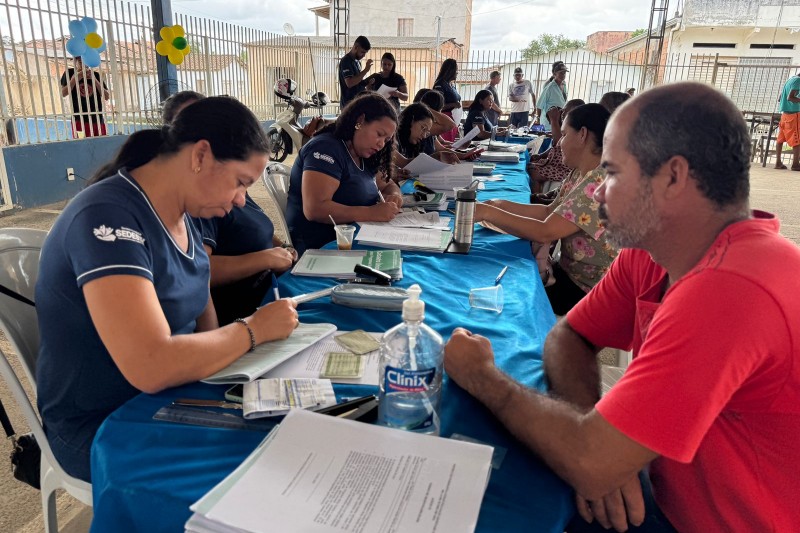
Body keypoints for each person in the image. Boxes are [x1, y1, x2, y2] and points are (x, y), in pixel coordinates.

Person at [444, 82, 799, 532]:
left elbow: (590, 462)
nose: (599, 193)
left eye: (611, 173)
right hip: (658, 488)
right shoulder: (652, 250)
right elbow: (570, 335)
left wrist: (483, 376)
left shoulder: (735, 286)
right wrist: (602, 439)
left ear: (672, 177)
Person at [35, 97, 300, 482]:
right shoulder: (106, 218)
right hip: (104, 422)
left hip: (172, 393)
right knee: (257, 474)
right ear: (201, 156)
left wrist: (232, 367)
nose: (242, 199)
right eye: (241, 182)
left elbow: (200, 303)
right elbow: (151, 364)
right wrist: (252, 331)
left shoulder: (183, 213)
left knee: (288, 431)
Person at [161, 92, 298, 326]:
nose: (240, 200)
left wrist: (282, 248)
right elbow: (152, 355)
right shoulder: (127, 214)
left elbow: (199, 282)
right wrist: (254, 331)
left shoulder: (204, 196)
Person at [474, 104, 616, 314]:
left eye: (565, 134)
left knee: (509, 296)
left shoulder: (599, 184)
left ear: (582, 135)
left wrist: (489, 213)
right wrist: (498, 205)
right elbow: (550, 211)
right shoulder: (582, 173)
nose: (558, 142)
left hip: (587, 288)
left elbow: (546, 230)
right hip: (568, 271)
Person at [286, 93, 403, 254]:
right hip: (323, 247)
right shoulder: (326, 148)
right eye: (379, 134)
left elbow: (388, 184)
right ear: (360, 121)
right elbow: (314, 208)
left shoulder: (364, 154)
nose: (381, 144)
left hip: (354, 239)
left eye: (387, 140)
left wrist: (394, 195)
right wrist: (371, 213)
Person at [528, 98, 585, 195]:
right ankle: (536, 195)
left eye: (566, 112)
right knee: (529, 166)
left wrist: (554, 120)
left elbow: (559, 141)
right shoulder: (564, 125)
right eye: (563, 111)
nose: (562, 114)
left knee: (533, 173)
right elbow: (555, 147)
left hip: (562, 169)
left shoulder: (576, 129)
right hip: (553, 164)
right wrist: (541, 155)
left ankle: (536, 197)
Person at [393, 103, 459, 166]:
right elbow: (404, 163)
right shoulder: (392, 137)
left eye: (427, 132)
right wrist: (435, 157)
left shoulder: (411, 141)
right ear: (411, 120)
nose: (424, 136)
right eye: (423, 128)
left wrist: (436, 157)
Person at [60, 56, 110, 137]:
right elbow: (63, 93)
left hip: (97, 118)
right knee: (81, 145)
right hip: (79, 119)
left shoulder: (96, 75)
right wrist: (75, 79)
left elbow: (106, 96)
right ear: (74, 60)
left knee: (100, 144)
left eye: (83, 58)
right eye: (77, 58)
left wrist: (94, 80)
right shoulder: (69, 73)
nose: (80, 60)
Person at [774, 69, 800, 170]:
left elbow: (780, 98)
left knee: (780, 139)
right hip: (794, 115)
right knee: (797, 140)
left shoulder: (790, 79)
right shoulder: (798, 81)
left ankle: (778, 163)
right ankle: (795, 165)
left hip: (784, 115)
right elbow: (790, 98)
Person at [338, 36, 373, 110]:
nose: (364, 55)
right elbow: (350, 83)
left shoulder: (357, 62)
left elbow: (357, 82)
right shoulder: (346, 61)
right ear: (356, 47)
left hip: (357, 103)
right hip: (348, 105)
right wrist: (366, 70)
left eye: (365, 53)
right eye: (362, 52)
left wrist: (367, 82)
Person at [432, 58, 461, 143]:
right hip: (444, 119)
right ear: (450, 70)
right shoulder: (439, 85)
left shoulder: (452, 85)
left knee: (451, 144)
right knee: (445, 146)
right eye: (456, 70)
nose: (457, 72)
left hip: (453, 119)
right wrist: (453, 104)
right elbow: (436, 106)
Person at [537, 61, 569, 131]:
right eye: (560, 73)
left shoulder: (564, 84)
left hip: (559, 120)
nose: (563, 75)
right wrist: (539, 121)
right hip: (548, 122)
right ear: (554, 74)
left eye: (564, 73)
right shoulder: (550, 87)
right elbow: (539, 105)